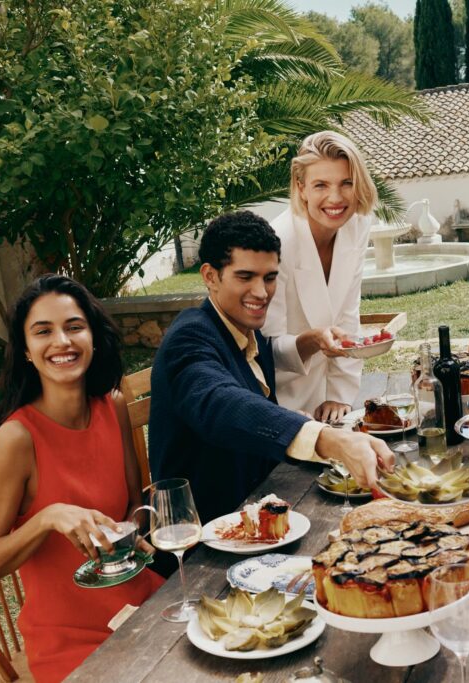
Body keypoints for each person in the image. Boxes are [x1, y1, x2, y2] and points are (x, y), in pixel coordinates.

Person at [0, 275, 163, 683]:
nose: (62, 341)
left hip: (140, 602)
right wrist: (47, 517)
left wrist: (130, 533)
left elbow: (133, 504)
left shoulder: (112, 405)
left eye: (74, 326)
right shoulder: (16, 439)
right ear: (26, 350)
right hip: (69, 639)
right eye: (43, 331)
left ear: (92, 337)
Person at [148, 211, 394, 525]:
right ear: (210, 276)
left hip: (266, 505)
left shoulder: (250, 334)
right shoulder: (189, 336)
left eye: (269, 277)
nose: (262, 293)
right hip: (204, 533)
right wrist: (330, 440)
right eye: (245, 277)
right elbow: (221, 402)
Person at [262, 131, 377, 422]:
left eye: (346, 183)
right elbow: (266, 346)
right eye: (321, 185)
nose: (335, 198)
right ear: (301, 188)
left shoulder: (358, 223)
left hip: (331, 400)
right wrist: (312, 340)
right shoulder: (278, 242)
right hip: (278, 398)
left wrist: (339, 394)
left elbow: (348, 314)